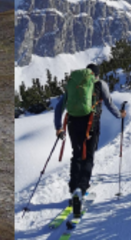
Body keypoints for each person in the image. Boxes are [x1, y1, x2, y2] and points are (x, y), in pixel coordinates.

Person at [54, 63, 126, 216]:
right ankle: (81, 188)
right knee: (89, 156)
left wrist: (58, 127)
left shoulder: (75, 85)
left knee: (77, 154)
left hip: (73, 124)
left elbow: (59, 106)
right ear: (96, 75)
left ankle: (73, 188)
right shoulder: (100, 84)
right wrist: (120, 115)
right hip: (91, 124)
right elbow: (109, 103)